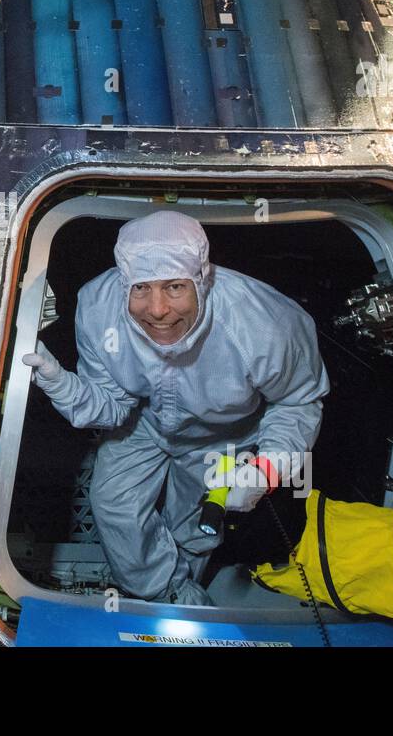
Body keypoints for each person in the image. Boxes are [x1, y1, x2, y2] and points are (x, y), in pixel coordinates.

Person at [23, 210, 329, 605]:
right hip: (143, 424)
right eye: (140, 289)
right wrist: (61, 384)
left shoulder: (265, 324)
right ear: (123, 282)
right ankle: (165, 593)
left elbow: (298, 402)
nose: (157, 310)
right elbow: (113, 407)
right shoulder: (98, 309)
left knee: (195, 526)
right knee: (114, 505)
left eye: (174, 287)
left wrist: (266, 470)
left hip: (224, 436)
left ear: (201, 280)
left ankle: (187, 597)